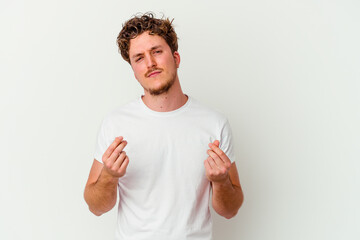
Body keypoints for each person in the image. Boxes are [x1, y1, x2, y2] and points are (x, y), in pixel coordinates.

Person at [84, 13, 244, 240]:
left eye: (157, 52)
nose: (150, 63)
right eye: (139, 58)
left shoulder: (214, 123)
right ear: (134, 70)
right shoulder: (116, 124)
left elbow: (231, 210)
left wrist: (220, 181)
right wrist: (109, 176)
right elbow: (95, 207)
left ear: (176, 58)